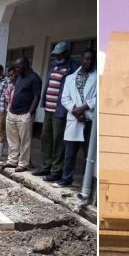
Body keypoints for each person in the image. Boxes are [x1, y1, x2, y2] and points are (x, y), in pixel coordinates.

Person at [33, 42, 79, 182]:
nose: (57, 57)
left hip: (60, 110)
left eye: (59, 54)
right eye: (55, 55)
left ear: (67, 53)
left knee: (58, 141)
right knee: (45, 138)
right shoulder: (54, 66)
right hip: (49, 109)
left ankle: (56, 170)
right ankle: (45, 166)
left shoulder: (73, 68)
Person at [53, 48, 97, 188]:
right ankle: (66, 179)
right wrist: (76, 112)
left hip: (90, 119)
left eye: (90, 59)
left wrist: (83, 109)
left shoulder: (97, 78)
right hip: (74, 118)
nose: (88, 62)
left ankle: (86, 182)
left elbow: (97, 97)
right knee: (69, 153)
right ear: (81, 59)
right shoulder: (70, 78)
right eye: (85, 59)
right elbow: (64, 98)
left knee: (88, 154)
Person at [2, 57, 41, 172]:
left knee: (25, 141)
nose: (16, 69)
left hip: (24, 114)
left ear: (25, 65)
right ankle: (12, 161)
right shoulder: (19, 76)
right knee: (12, 139)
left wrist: (30, 113)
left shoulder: (34, 78)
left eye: (18, 67)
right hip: (12, 112)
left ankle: (23, 164)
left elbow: (36, 97)